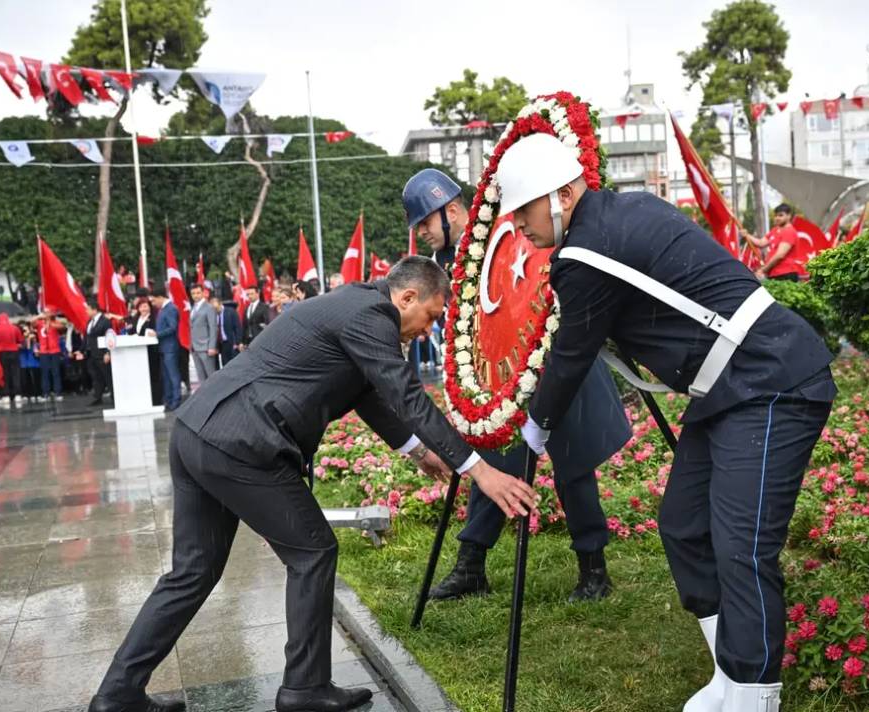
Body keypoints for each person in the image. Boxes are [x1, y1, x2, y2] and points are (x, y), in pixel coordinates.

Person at [88, 257, 535, 712]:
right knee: (313, 551)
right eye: (431, 317)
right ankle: (304, 688)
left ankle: (118, 692)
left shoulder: (354, 305)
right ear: (406, 297)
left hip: (197, 431)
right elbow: (407, 396)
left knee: (192, 572)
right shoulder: (370, 316)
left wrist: (419, 453)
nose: (427, 331)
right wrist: (479, 469)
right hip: (242, 441)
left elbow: (371, 398)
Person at [498, 133, 836, 711]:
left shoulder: (583, 254)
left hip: (769, 377)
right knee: (683, 524)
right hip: (730, 387)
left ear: (561, 194)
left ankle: (756, 696)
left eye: (524, 209)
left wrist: (537, 425)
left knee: (741, 547)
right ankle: (729, 675)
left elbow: (572, 353)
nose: (519, 225)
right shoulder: (621, 212)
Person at [402, 167, 632, 601]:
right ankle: (471, 564)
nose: (423, 234)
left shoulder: (509, 227)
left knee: (573, 468)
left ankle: (594, 568)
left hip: (554, 361)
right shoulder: (447, 264)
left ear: (451, 210)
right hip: (499, 378)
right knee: (490, 462)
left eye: (426, 223)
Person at [744, 204, 801, 282]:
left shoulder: (789, 231)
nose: (777, 218)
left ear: (789, 216)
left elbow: (779, 255)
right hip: (774, 274)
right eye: (776, 216)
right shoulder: (775, 230)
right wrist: (746, 235)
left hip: (786, 274)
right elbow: (760, 243)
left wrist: (763, 270)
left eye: (781, 215)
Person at [150, 288, 181, 412]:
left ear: (160, 297)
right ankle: (168, 400)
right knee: (166, 376)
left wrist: (157, 334)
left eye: (154, 300)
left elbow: (172, 327)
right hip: (163, 348)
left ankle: (176, 401)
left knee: (173, 375)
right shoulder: (163, 309)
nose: (153, 303)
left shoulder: (171, 308)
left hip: (170, 347)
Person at [128, 298, 162, 406]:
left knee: (153, 375)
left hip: (151, 350)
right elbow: (133, 331)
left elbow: (154, 331)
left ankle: (156, 400)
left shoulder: (154, 318)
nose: (143, 308)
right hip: (138, 351)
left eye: (145, 306)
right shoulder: (135, 318)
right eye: (141, 306)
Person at [82, 303, 112, 406]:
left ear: (94, 310)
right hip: (91, 354)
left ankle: (114, 397)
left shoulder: (105, 321)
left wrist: (108, 352)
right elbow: (87, 337)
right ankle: (97, 397)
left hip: (102, 354)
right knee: (95, 376)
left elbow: (109, 336)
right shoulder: (90, 322)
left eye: (88, 309)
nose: (86, 311)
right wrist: (82, 350)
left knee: (108, 376)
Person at [0, 314, 23, 409]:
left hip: (2, 353)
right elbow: (20, 340)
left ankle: (6, 395)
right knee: (16, 373)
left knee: (4, 374)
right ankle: (17, 394)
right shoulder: (15, 328)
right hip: (14, 352)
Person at [188, 284, 218, 384]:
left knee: (211, 376)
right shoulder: (193, 308)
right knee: (201, 377)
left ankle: (216, 397)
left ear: (203, 293)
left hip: (206, 347)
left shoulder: (209, 307)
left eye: (198, 293)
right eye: (193, 293)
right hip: (194, 347)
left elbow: (213, 327)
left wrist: (212, 347)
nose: (195, 295)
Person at [34, 313, 64, 402]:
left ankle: (58, 392)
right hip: (44, 351)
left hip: (55, 350)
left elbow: (61, 327)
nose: (46, 314)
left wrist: (49, 322)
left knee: (56, 372)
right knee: (45, 373)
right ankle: (45, 393)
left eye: (48, 312)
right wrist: (39, 316)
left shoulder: (56, 323)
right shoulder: (39, 323)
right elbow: (32, 323)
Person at [211, 297, 242, 367]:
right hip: (219, 343)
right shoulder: (213, 314)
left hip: (229, 341)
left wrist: (237, 342)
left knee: (229, 362)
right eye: (213, 309)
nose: (215, 310)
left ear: (220, 304)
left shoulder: (230, 312)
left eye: (216, 308)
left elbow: (237, 327)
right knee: (220, 363)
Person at [240, 285, 270, 351]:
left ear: (257, 293)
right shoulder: (247, 309)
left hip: (260, 340)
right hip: (248, 342)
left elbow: (267, 323)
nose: (250, 296)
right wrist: (242, 342)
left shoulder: (264, 307)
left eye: (252, 294)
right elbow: (244, 326)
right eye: (248, 294)